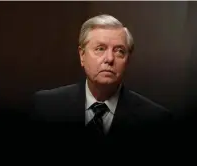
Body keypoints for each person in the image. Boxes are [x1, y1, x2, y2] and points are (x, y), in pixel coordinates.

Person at [29, 14, 174, 152]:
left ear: (127, 61)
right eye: (100, 49)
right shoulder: (46, 106)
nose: (110, 58)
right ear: (82, 56)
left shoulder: (155, 120)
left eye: (119, 51)